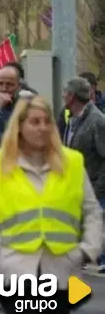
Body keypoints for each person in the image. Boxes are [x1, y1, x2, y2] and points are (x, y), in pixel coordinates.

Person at [0, 95, 103, 314]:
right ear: (19, 126)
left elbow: (92, 211)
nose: (42, 128)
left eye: (46, 122)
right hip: (16, 271)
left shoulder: (72, 162)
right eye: (34, 122)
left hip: (62, 270)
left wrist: (85, 251)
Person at [60, 77, 105, 273]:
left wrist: (97, 189)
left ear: (71, 96)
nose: (62, 96)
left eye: (64, 93)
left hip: (94, 187)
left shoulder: (97, 121)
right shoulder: (72, 118)